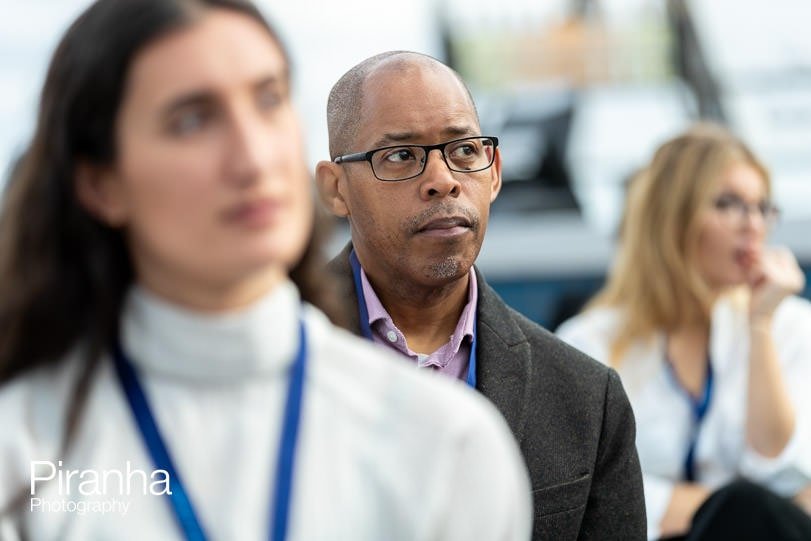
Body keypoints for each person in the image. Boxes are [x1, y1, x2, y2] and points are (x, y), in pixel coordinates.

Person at [0, 2, 534, 540]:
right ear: (100, 183)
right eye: (192, 120)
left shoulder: (445, 441)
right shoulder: (24, 451)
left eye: (268, 100)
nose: (254, 156)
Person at [315, 51, 646, 540]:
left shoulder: (585, 398)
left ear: (493, 173)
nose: (443, 180)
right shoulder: (263, 356)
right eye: (402, 156)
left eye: (464, 151)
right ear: (336, 188)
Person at [557, 124, 811, 540]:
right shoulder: (589, 343)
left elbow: (782, 471)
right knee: (739, 506)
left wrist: (760, 324)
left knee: (746, 510)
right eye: (729, 204)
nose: (753, 225)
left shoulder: (789, 323)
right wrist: (718, 504)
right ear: (672, 217)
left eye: (762, 207)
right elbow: (591, 498)